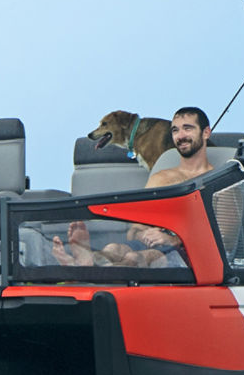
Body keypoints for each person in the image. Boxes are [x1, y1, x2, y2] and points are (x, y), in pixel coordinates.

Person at [52, 107, 218, 266]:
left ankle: (85, 265)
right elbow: (134, 230)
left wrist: (174, 239)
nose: (180, 136)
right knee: (114, 249)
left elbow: (225, 236)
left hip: (189, 252)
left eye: (187, 129)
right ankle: (88, 261)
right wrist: (141, 233)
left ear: (205, 133)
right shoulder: (160, 178)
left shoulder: (220, 180)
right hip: (150, 245)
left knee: (136, 258)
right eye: (175, 130)